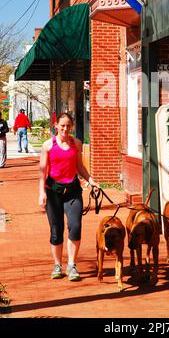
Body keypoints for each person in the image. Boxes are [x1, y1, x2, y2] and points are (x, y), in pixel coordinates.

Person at [39, 112, 99, 281]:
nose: (65, 129)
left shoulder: (76, 143)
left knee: (75, 226)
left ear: (71, 127)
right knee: (56, 230)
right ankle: (57, 265)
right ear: (56, 126)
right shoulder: (48, 145)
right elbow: (43, 171)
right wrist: (41, 192)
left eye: (68, 126)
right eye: (62, 125)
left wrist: (90, 180)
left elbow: (79, 166)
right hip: (53, 191)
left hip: (73, 191)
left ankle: (71, 264)